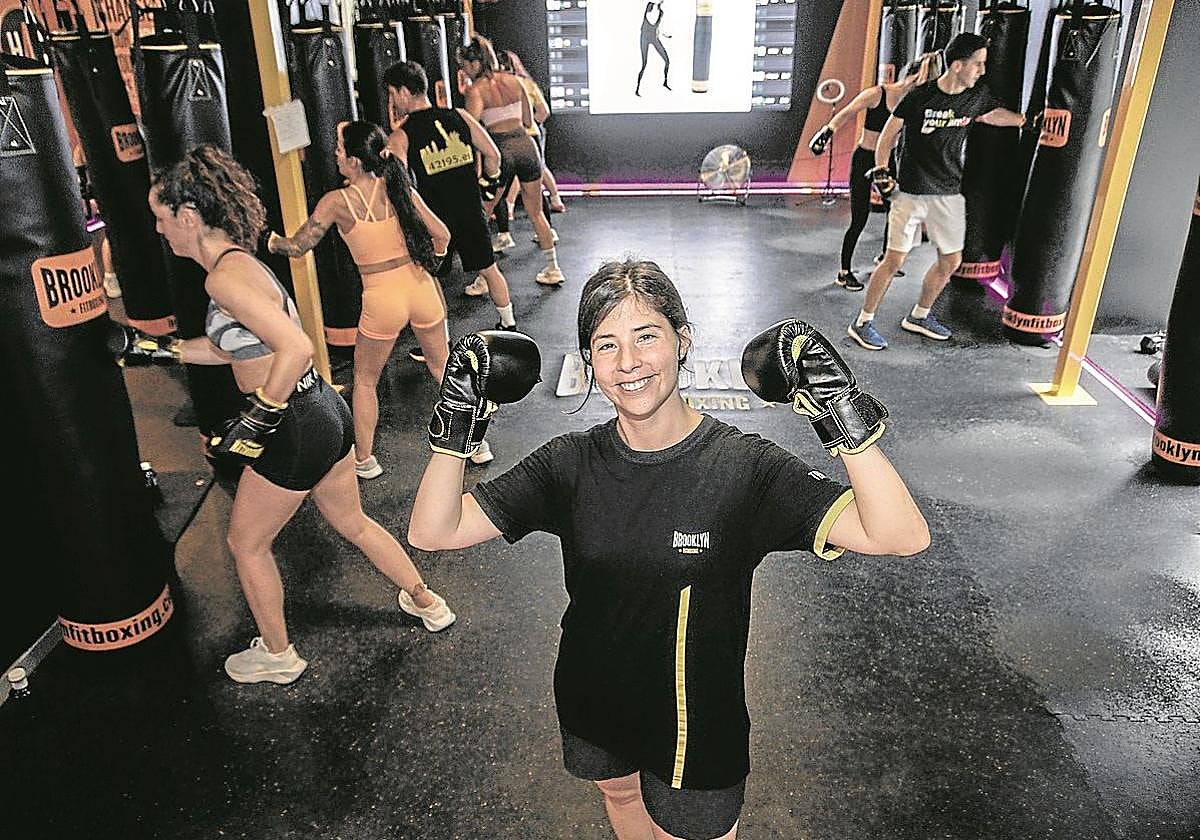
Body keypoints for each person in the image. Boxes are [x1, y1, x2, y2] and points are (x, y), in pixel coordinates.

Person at [408, 260, 930, 839]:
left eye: (646, 336)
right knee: (622, 799)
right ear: (588, 362)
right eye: (605, 345)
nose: (628, 363)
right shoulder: (568, 463)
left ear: (682, 342)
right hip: (593, 696)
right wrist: (456, 421)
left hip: (696, 727)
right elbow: (434, 531)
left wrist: (841, 411)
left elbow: (899, 535)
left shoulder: (743, 468)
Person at [111, 145, 455, 685]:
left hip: (294, 422)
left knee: (245, 543)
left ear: (189, 216)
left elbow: (294, 348)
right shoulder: (242, 265)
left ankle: (277, 654)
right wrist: (160, 350)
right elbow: (239, 348)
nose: (159, 230)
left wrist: (260, 417)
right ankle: (428, 600)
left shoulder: (223, 279)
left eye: (161, 217)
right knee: (352, 522)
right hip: (324, 411)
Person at [265, 120, 489, 475]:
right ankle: (477, 445)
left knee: (366, 380)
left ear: (354, 160)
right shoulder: (399, 188)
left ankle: (364, 460)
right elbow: (443, 235)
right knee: (444, 369)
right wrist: (431, 264)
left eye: (340, 149)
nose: (336, 155)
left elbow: (297, 246)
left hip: (381, 296)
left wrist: (266, 239)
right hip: (421, 287)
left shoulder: (336, 202)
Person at [849, 32, 1027, 350]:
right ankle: (863, 321)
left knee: (951, 260)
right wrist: (881, 170)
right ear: (958, 65)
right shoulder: (920, 97)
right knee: (894, 260)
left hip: (948, 192)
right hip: (912, 193)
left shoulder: (976, 96)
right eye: (978, 64)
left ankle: (919, 315)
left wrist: (1024, 120)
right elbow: (889, 133)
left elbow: (989, 115)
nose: (982, 71)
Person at [384, 60, 522, 327]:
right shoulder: (459, 116)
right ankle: (509, 324)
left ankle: (441, 340)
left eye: (392, 94)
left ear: (403, 92)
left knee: (430, 278)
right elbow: (493, 154)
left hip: (436, 220)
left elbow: (400, 185)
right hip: (470, 209)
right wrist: (488, 184)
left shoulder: (402, 136)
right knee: (490, 269)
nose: (392, 101)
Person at [807, 51, 944, 290]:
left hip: (887, 162)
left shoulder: (912, 104)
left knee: (896, 212)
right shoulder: (878, 94)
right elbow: (847, 112)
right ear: (913, 79)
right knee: (860, 217)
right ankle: (844, 271)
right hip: (864, 160)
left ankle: (884, 259)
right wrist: (826, 132)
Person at [459, 34, 564, 287]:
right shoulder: (516, 81)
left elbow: (473, 133)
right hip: (527, 147)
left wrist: (477, 168)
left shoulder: (476, 91)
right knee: (536, 211)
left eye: (463, 66)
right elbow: (529, 121)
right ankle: (553, 268)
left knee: (482, 216)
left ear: (473, 65)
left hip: (500, 150)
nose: (462, 71)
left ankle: (484, 281)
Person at [498, 48, 566, 219]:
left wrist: (527, 124)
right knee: (538, 168)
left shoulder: (509, 86)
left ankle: (510, 207)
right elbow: (543, 111)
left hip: (523, 134)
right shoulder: (526, 84)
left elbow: (543, 111)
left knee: (524, 170)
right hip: (530, 132)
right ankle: (555, 200)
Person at [635, 1, 671, 97]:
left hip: (654, 38)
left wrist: (666, 35)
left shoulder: (661, 13)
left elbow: (658, 27)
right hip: (644, 38)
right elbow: (652, 20)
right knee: (644, 64)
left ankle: (665, 82)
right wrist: (657, 5)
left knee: (667, 61)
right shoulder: (649, 9)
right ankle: (637, 88)